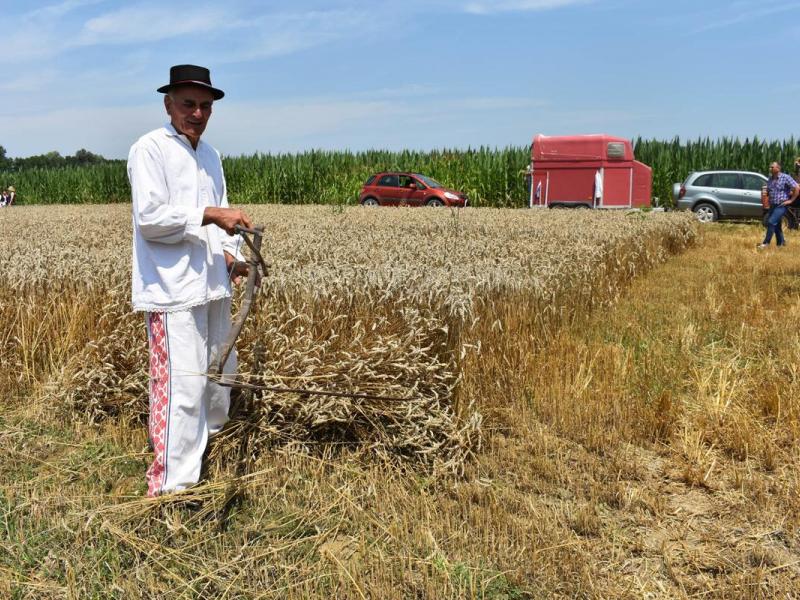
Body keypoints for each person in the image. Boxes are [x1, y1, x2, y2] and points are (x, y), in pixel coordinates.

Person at [127, 64, 256, 497]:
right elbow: (150, 221)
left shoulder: (211, 156)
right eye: (188, 104)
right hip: (172, 290)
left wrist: (232, 258)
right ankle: (171, 487)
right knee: (180, 386)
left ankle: (204, 450)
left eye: (204, 105)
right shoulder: (150, 150)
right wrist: (210, 215)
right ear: (168, 104)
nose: (197, 113)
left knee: (219, 377)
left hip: (213, 283)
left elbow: (221, 217)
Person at [759, 161, 799, 249]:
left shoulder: (785, 177)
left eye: (772, 167)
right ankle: (781, 243)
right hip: (773, 205)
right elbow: (769, 190)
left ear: (778, 168)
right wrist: (767, 195)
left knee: (771, 221)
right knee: (777, 225)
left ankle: (766, 243)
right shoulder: (770, 178)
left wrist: (791, 200)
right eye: (770, 167)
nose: (770, 168)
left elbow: (797, 187)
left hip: (782, 205)